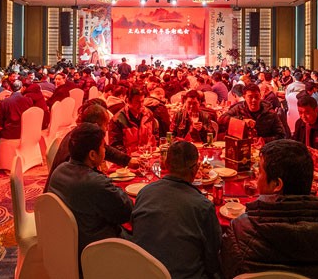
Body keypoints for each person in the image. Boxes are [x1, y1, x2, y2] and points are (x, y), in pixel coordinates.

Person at [222, 139, 318, 279]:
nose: (257, 179)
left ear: (277, 184)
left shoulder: (240, 231)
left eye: (260, 172)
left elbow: (226, 270)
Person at [131, 141, 222, 279]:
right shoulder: (203, 206)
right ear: (196, 169)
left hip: (143, 273)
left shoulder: (144, 193)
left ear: (166, 164)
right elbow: (212, 259)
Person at [48, 122, 133, 255]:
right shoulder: (95, 183)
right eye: (103, 147)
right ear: (92, 155)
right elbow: (126, 211)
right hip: (98, 251)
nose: (105, 151)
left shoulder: (58, 172)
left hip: (67, 247)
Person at [219, 84, 286, 142]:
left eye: (256, 96)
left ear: (260, 96)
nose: (254, 100)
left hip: (263, 148)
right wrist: (242, 120)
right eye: (250, 97)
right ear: (244, 97)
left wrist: (264, 140)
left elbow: (281, 135)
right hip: (241, 145)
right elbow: (221, 119)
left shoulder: (269, 112)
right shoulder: (239, 108)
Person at [109, 87, 159, 152]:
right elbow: (115, 147)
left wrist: (151, 148)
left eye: (142, 101)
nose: (141, 105)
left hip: (147, 154)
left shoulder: (148, 114)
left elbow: (155, 136)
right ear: (128, 101)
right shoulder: (118, 119)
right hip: (128, 156)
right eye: (137, 102)